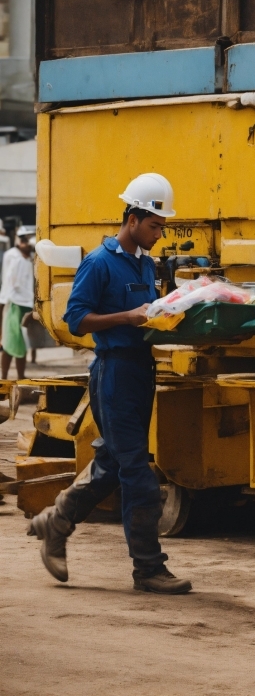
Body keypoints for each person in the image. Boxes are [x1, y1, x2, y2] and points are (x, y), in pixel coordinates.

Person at [27, 173, 192, 595]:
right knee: (137, 473)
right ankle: (149, 569)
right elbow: (76, 318)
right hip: (114, 373)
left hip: (140, 370)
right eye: (155, 225)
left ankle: (56, 520)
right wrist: (128, 318)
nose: (159, 234)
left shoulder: (143, 262)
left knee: (113, 464)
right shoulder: (99, 263)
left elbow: (144, 312)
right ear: (133, 218)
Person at [0, 228, 35, 379]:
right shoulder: (14, 257)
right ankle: (4, 378)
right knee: (10, 344)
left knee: (23, 345)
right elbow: (10, 283)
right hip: (14, 304)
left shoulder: (30, 259)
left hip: (27, 305)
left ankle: (21, 377)